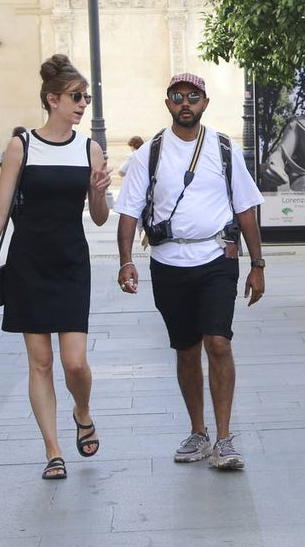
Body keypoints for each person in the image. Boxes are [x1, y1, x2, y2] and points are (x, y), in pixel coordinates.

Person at [0, 54, 111, 480]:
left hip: (70, 262)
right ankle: (53, 451)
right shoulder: (22, 145)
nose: (82, 104)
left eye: (85, 97)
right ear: (52, 99)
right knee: (41, 362)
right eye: (76, 97)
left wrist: (98, 191)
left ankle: (82, 410)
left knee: (75, 363)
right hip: (28, 262)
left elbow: (99, 217)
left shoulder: (90, 149)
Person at [113, 73, 265, 471]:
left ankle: (224, 439)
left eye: (193, 97)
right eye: (178, 96)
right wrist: (126, 260)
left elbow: (246, 208)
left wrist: (257, 264)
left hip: (217, 257)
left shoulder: (224, 148)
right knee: (186, 348)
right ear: (168, 103)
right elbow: (128, 211)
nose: (185, 103)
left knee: (218, 342)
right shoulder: (150, 153)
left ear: (205, 103)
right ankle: (198, 432)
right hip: (168, 263)